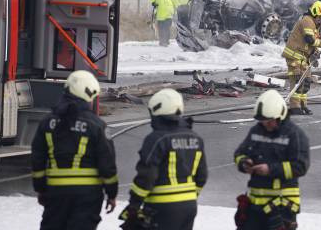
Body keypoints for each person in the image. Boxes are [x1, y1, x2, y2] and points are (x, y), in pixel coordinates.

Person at [31, 71, 118, 230]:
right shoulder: (97, 125)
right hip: (87, 196)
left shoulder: (47, 123)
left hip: (56, 193)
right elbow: (107, 163)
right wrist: (111, 194)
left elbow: (38, 159)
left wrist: (41, 189)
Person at [120, 89, 208, 230]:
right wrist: (189, 196)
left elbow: (147, 177)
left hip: (161, 207)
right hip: (189, 206)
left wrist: (134, 205)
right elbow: (202, 176)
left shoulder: (156, 139)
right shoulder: (196, 138)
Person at [234, 90, 310, 230]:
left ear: (280, 116)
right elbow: (239, 153)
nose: (265, 125)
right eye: (262, 121)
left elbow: (300, 166)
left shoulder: (294, 135)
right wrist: (244, 163)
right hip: (255, 205)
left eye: (269, 121)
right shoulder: (256, 131)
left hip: (281, 208)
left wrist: (270, 169)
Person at [281, 1, 321, 115]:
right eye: (320, 17)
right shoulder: (307, 21)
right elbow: (310, 39)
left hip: (304, 58)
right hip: (295, 56)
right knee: (298, 81)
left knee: (306, 83)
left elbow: (312, 43)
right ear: (314, 13)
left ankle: (303, 106)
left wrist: (315, 52)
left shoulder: (315, 24)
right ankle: (295, 107)